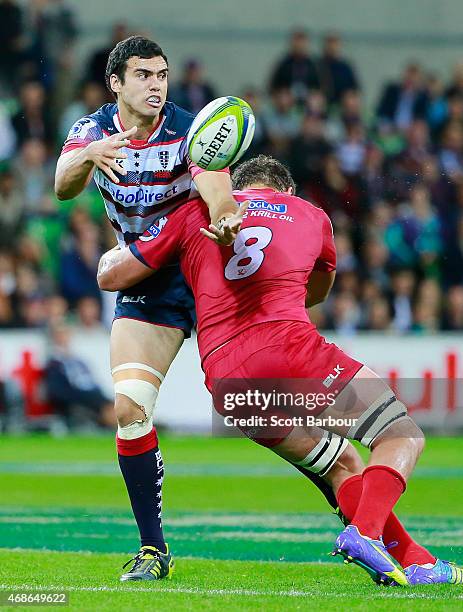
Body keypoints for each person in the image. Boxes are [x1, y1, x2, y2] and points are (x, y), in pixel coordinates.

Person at [98, 155, 462, 587]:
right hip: (289, 351)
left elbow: (114, 275)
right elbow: (318, 291)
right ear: (286, 190)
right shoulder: (312, 215)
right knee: (401, 435)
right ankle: (363, 533)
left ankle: (415, 561)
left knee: (340, 464)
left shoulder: (195, 213)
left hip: (226, 379)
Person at [54, 35, 243, 581]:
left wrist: (226, 215)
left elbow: (217, 188)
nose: (156, 85)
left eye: (161, 75)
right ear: (116, 83)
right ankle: (154, 551)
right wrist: (88, 156)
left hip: (203, 275)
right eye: (143, 75)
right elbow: (64, 187)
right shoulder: (90, 132)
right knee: (130, 406)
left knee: (265, 414)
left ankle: (355, 509)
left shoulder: (191, 130)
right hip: (144, 283)